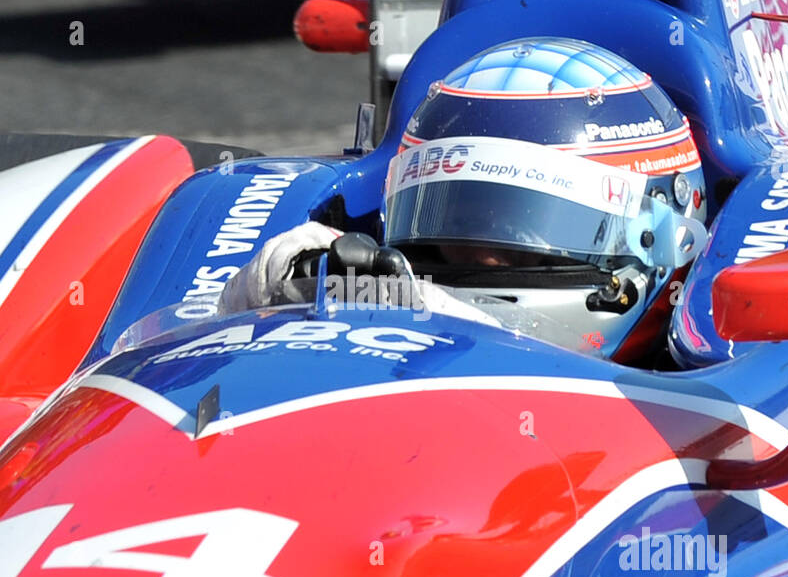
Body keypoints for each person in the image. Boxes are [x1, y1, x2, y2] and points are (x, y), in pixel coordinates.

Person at [219, 37, 708, 359]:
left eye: (520, 229)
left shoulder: (721, 391)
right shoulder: (384, 286)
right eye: (453, 218)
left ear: (662, 239)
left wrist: (422, 305)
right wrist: (299, 273)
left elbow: (514, 345)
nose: (481, 255)